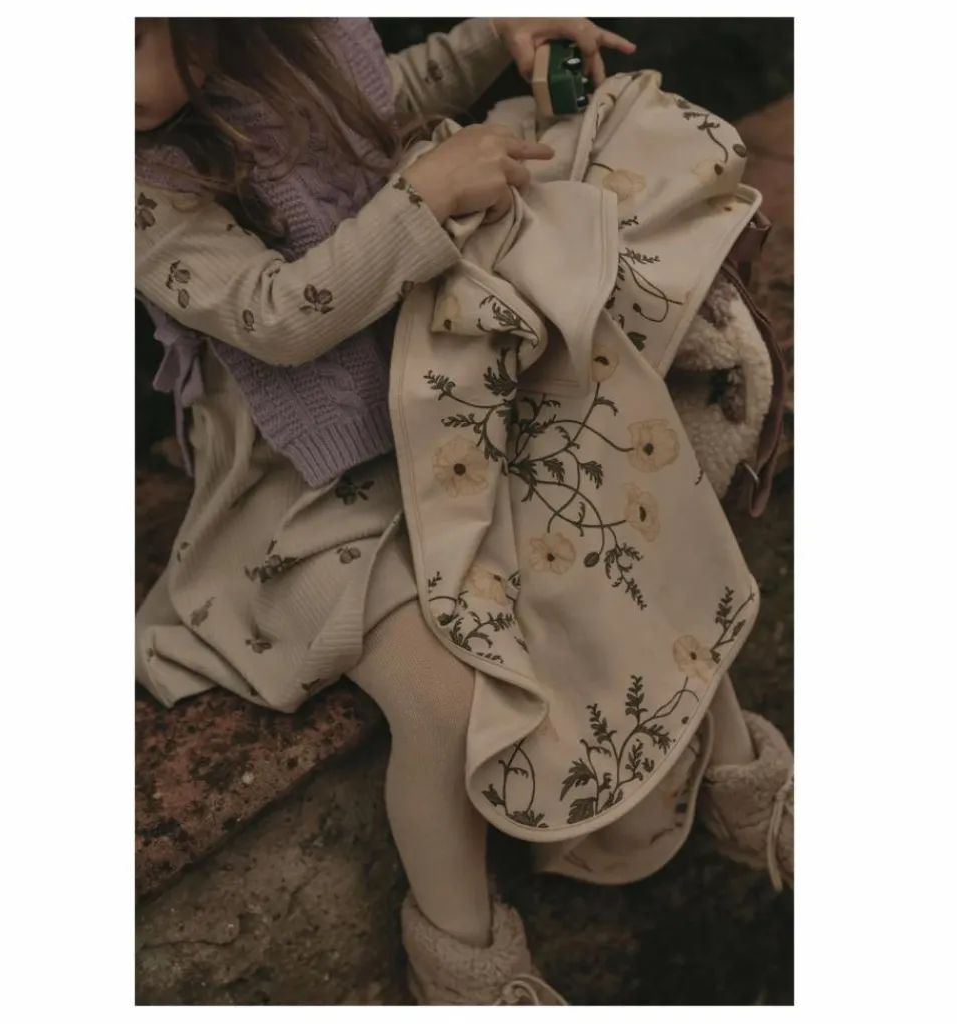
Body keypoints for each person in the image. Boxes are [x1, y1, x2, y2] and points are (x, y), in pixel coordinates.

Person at [135, 17, 791, 1006]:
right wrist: (421, 200)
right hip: (302, 491)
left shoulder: (292, 44)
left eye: (129, 42)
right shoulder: (137, 183)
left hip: (438, 401)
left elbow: (375, 101)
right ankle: (466, 963)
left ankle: (744, 793)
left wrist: (494, 35)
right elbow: (275, 315)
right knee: (446, 701)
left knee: (617, 525)